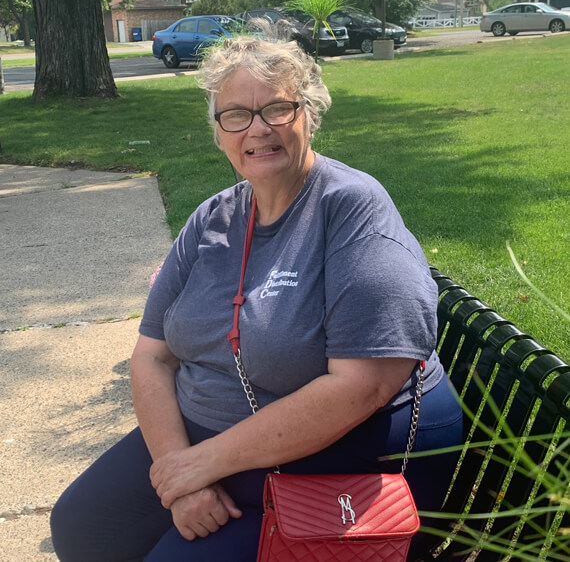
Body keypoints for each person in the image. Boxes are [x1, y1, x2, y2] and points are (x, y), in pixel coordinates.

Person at [50, 35, 463, 561]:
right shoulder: (215, 217)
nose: (258, 129)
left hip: (333, 456)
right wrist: (181, 472)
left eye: (277, 108)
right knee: (84, 523)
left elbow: (364, 385)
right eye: (237, 115)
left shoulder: (352, 212)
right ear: (219, 132)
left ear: (308, 114)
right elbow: (152, 354)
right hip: (207, 442)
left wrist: (203, 465)